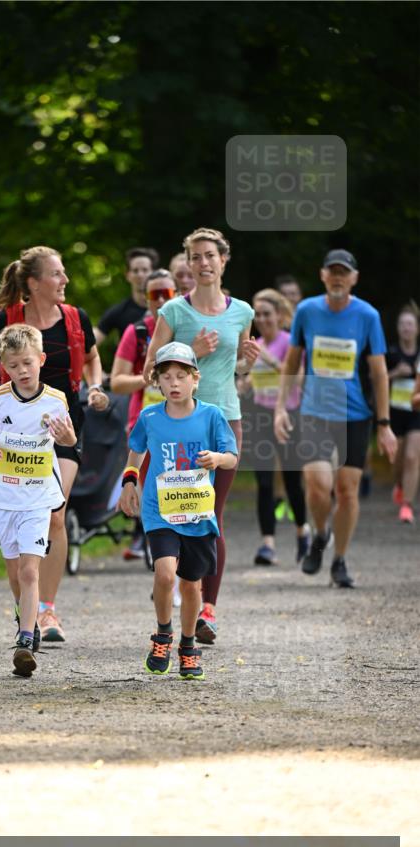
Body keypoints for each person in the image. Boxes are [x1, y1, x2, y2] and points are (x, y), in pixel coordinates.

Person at [0, 245, 108, 643]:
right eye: (57, 274)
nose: (65, 280)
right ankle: (26, 600)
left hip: (61, 426)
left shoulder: (76, 318)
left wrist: (95, 387)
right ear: (33, 282)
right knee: (18, 530)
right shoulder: (8, 323)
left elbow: (93, 359)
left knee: (56, 513)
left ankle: (46, 610)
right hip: (13, 432)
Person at [143, 227, 259, 643]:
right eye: (196, 257)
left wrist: (246, 361)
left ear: (223, 260)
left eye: (210, 255)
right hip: (178, 422)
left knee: (213, 514)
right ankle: (172, 582)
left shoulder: (242, 311)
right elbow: (147, 371)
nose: (204, 263)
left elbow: (237, 371)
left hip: (224, 420)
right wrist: (192, 349)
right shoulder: (174, 312)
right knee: (179, 508)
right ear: (188, 264)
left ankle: (207, 609)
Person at [274, 249, 397, 587]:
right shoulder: (307, 311)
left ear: (354, 278)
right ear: (323, 275)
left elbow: (379, 373)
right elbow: (291, 361)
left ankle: (339, 560)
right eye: (333, 271)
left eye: (345, 272)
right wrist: (282, 407)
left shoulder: (367, 316)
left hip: (354, 415)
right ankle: (320, 534)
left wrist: (384, 425)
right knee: (318, 485)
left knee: (346, 491)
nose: (339, 277)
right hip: (313, 411)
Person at [119, 342, 237, 679]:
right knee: (165, 574)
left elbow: (231, 455)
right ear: (156, 382)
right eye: (166, 377)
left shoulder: (211, 415)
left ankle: (187, 646)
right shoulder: (150, 417)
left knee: (190, 585)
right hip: (160, 511)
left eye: (181, 376)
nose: (173, 383)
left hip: (197, 513)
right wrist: (129, 482)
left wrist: (217, 459)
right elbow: (136, 452)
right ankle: (163, 634)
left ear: (195, 379)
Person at [0, 323, 76, 677]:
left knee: (31, 569)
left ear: (41, 360)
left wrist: (65, 435)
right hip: (3, 496)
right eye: (14, 366)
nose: (22, 372)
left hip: (38, 496)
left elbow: (69, 439)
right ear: (4, 366)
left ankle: (25, 640)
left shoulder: (56, 399)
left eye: (28, 364)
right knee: (15, 569)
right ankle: (24, 615)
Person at [111, 268, 176, 561]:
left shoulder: (188, 327)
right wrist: (148, 379)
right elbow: (117, 382)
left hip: (186, 423)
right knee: (153, 493)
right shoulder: (137, 332)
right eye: (154, 294)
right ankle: (162, 560)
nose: (161, 300)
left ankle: (179, 566)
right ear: (145, 298)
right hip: (146, 423)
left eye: (167, 293)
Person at [242, 288, 309, 565]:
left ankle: (302, 532)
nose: (262, 319)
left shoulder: (290, 342)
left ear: (279, 316)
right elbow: (249, 380)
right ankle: (267, 544)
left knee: (293, 481)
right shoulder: (254, 343)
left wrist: (269, 360)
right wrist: (241, 382)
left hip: (288, 415)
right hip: (260, 415)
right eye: (257, 314)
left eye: (267, 314)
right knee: (265, 482)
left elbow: (298, 379)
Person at [387, 302, 420, 523]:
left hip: (416, 411)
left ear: (417, 328)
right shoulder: (390, 352)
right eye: (402, 325)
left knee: (412, 457)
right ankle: (399, 485)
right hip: (393, 412)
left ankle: (407, 505)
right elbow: (375, 380)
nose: (406, 328)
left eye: (410, 324)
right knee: (397, 460)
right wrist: (395, 373)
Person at [94, 246, 160, 346]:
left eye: (145, 270)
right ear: (128, 275)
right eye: (135, 270)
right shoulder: (119, 311)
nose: (140, 275)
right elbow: (92, 340)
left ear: (154, 273)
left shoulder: (168, 308)